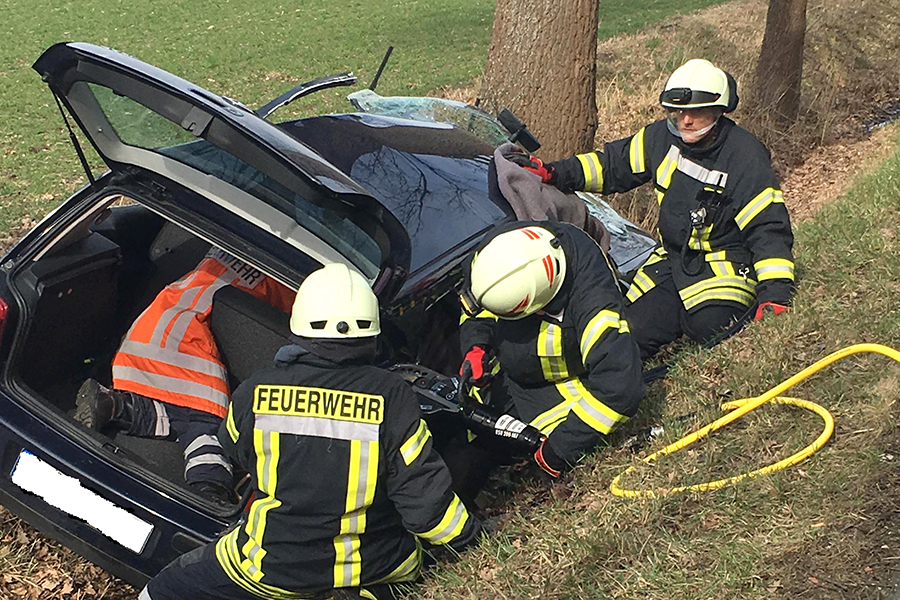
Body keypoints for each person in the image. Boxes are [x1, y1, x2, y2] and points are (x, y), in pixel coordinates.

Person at [140, 262, 480, 600]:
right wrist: (471, 539)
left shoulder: (255, 391)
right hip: (373, 565)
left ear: (300, 326)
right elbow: (422, 497)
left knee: (162, 591)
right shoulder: (391, 394)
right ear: (371, 332)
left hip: (270, 567)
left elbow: (234, 449)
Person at [516, 59, 796, 361]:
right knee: (631, 331)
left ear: (718, 110)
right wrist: (556, 173)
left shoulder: (745, 156)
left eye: (696, 113)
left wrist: (775, 294)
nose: (685, 121)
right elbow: (611, 166)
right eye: (678, 113)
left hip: (723, 264)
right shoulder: (660, 139)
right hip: (672, 259)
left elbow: (767, 228)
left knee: (710, 326)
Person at [75, 248, 295, 505]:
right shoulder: (288, 279)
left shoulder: (228, 246)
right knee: (204, 425)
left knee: (179, 413)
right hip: (186, 346)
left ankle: (115, 406)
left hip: (150, 329)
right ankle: (210, 490)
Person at [456, 221, 644, 488]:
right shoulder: (494, 253)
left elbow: (620, 388)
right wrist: (475, 346)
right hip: (513, 374)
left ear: (538, 307)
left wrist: (557, 452)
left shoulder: (592, 301)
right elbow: (474, 307)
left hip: (556, 385)